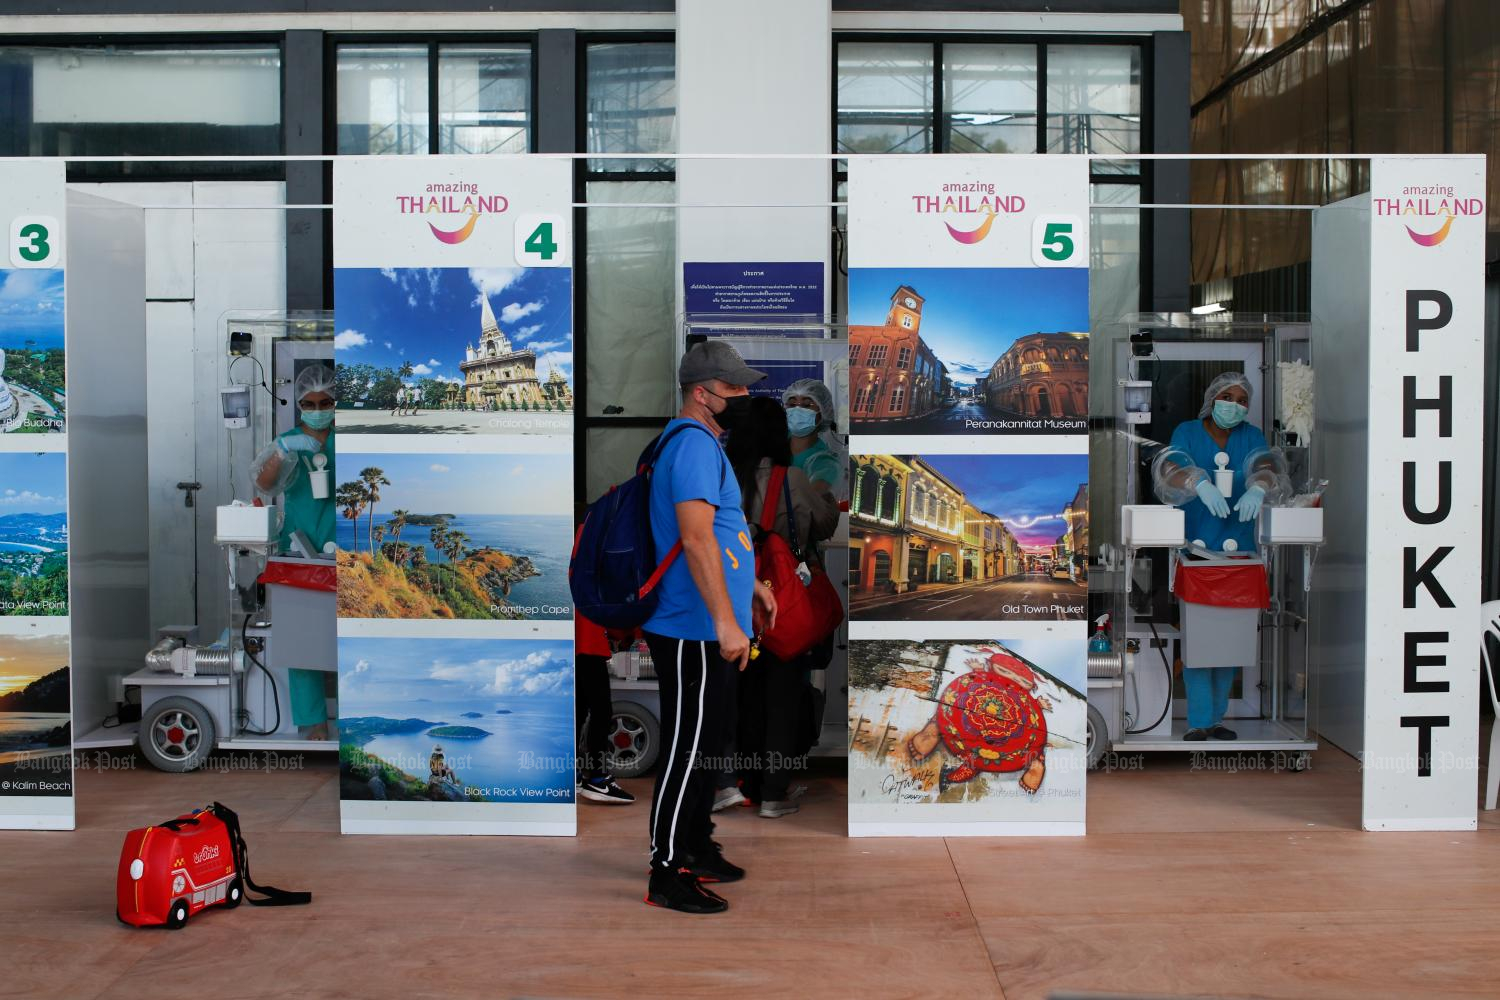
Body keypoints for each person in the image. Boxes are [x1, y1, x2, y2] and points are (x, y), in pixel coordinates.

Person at [642, 340, 777, 916]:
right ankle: (665, 869)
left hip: (708, 621)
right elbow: (695, 539)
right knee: (685, 747)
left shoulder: (700, 443)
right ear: (704, 394)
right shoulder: (694, 446)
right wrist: (726, 622)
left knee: (704, 744)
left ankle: (695, 843)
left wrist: (748, 585)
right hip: (694, 626)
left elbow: (717, 536)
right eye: (735, 388)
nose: (745, 396)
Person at [725, 397, 840, 818]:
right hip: (781, 602)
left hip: (734, 602)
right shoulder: (790, 477)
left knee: (743, 695)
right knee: (782, 696)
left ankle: (744, 782)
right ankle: (774, 792)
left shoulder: (723, 475)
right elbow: (824, 523)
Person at [1165, 372, 1270, 743]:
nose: (1235, 404)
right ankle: (1197, 720)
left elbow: (1267, 467)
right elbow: (1171, 467)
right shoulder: (1188, 431)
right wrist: (1199, 482)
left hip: (1240, 554)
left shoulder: (1252, 437)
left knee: (1230, 644)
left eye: (1243, 399)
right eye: (1228, 396)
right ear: (1213, 398)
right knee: (1198, 643)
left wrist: (1258, 488)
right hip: (1197, 552)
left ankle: (1216, 719)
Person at [250, 363, 337, 741]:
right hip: (299, 545)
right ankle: (313, 720)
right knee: (305, 635)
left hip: (343, 542)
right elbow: (265, 484)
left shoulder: (347, 438)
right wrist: (283, 451)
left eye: (326, 401)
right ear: (300, 403)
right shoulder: (287, 440)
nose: (318, 407)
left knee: (345, 634)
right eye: (310, 402)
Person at [575, 612, 634, 804]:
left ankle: (573, 772)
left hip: (573, 636)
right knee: (601, 711)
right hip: (589, 638)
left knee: (578, 709)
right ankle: (598, 778)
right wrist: (624, 634)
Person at [782, 378, 848, 502]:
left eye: (807, 405)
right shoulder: (772, 445)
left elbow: (805, 505)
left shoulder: (825, 464)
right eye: (791, 404)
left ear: (822, 412)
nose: (797, 410)